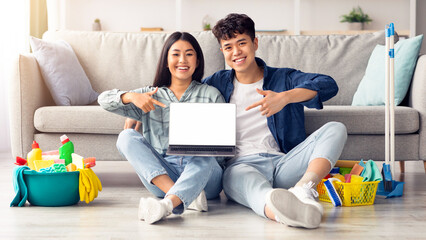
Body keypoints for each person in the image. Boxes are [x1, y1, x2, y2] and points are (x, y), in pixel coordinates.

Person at [202, 13, 347, 229]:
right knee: (253, 188)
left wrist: (285, 97)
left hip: (284, 164)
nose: (236, 52)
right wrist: (136, 106)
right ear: (222, 51)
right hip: (241, 166)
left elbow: (328, 84)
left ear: (255, 43)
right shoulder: (215, 83)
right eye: (229, 47)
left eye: (242, 43)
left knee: (336, 128)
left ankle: (302, 190)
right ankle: (283, 213)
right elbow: (183, 96)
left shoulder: (283, 78)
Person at [98, 32, 225, 224]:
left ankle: (169, 203)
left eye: (189, 54)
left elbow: (222, 153)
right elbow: (104, 100)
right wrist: (131, 96)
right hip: (163, 175)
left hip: (205, 178)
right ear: (166, 60)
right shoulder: (151, 95)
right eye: (175, 54)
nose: (182, 60)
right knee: (126, 136)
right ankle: (183, 197)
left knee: (205, 154)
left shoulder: (211, 95)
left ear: (197, 61)